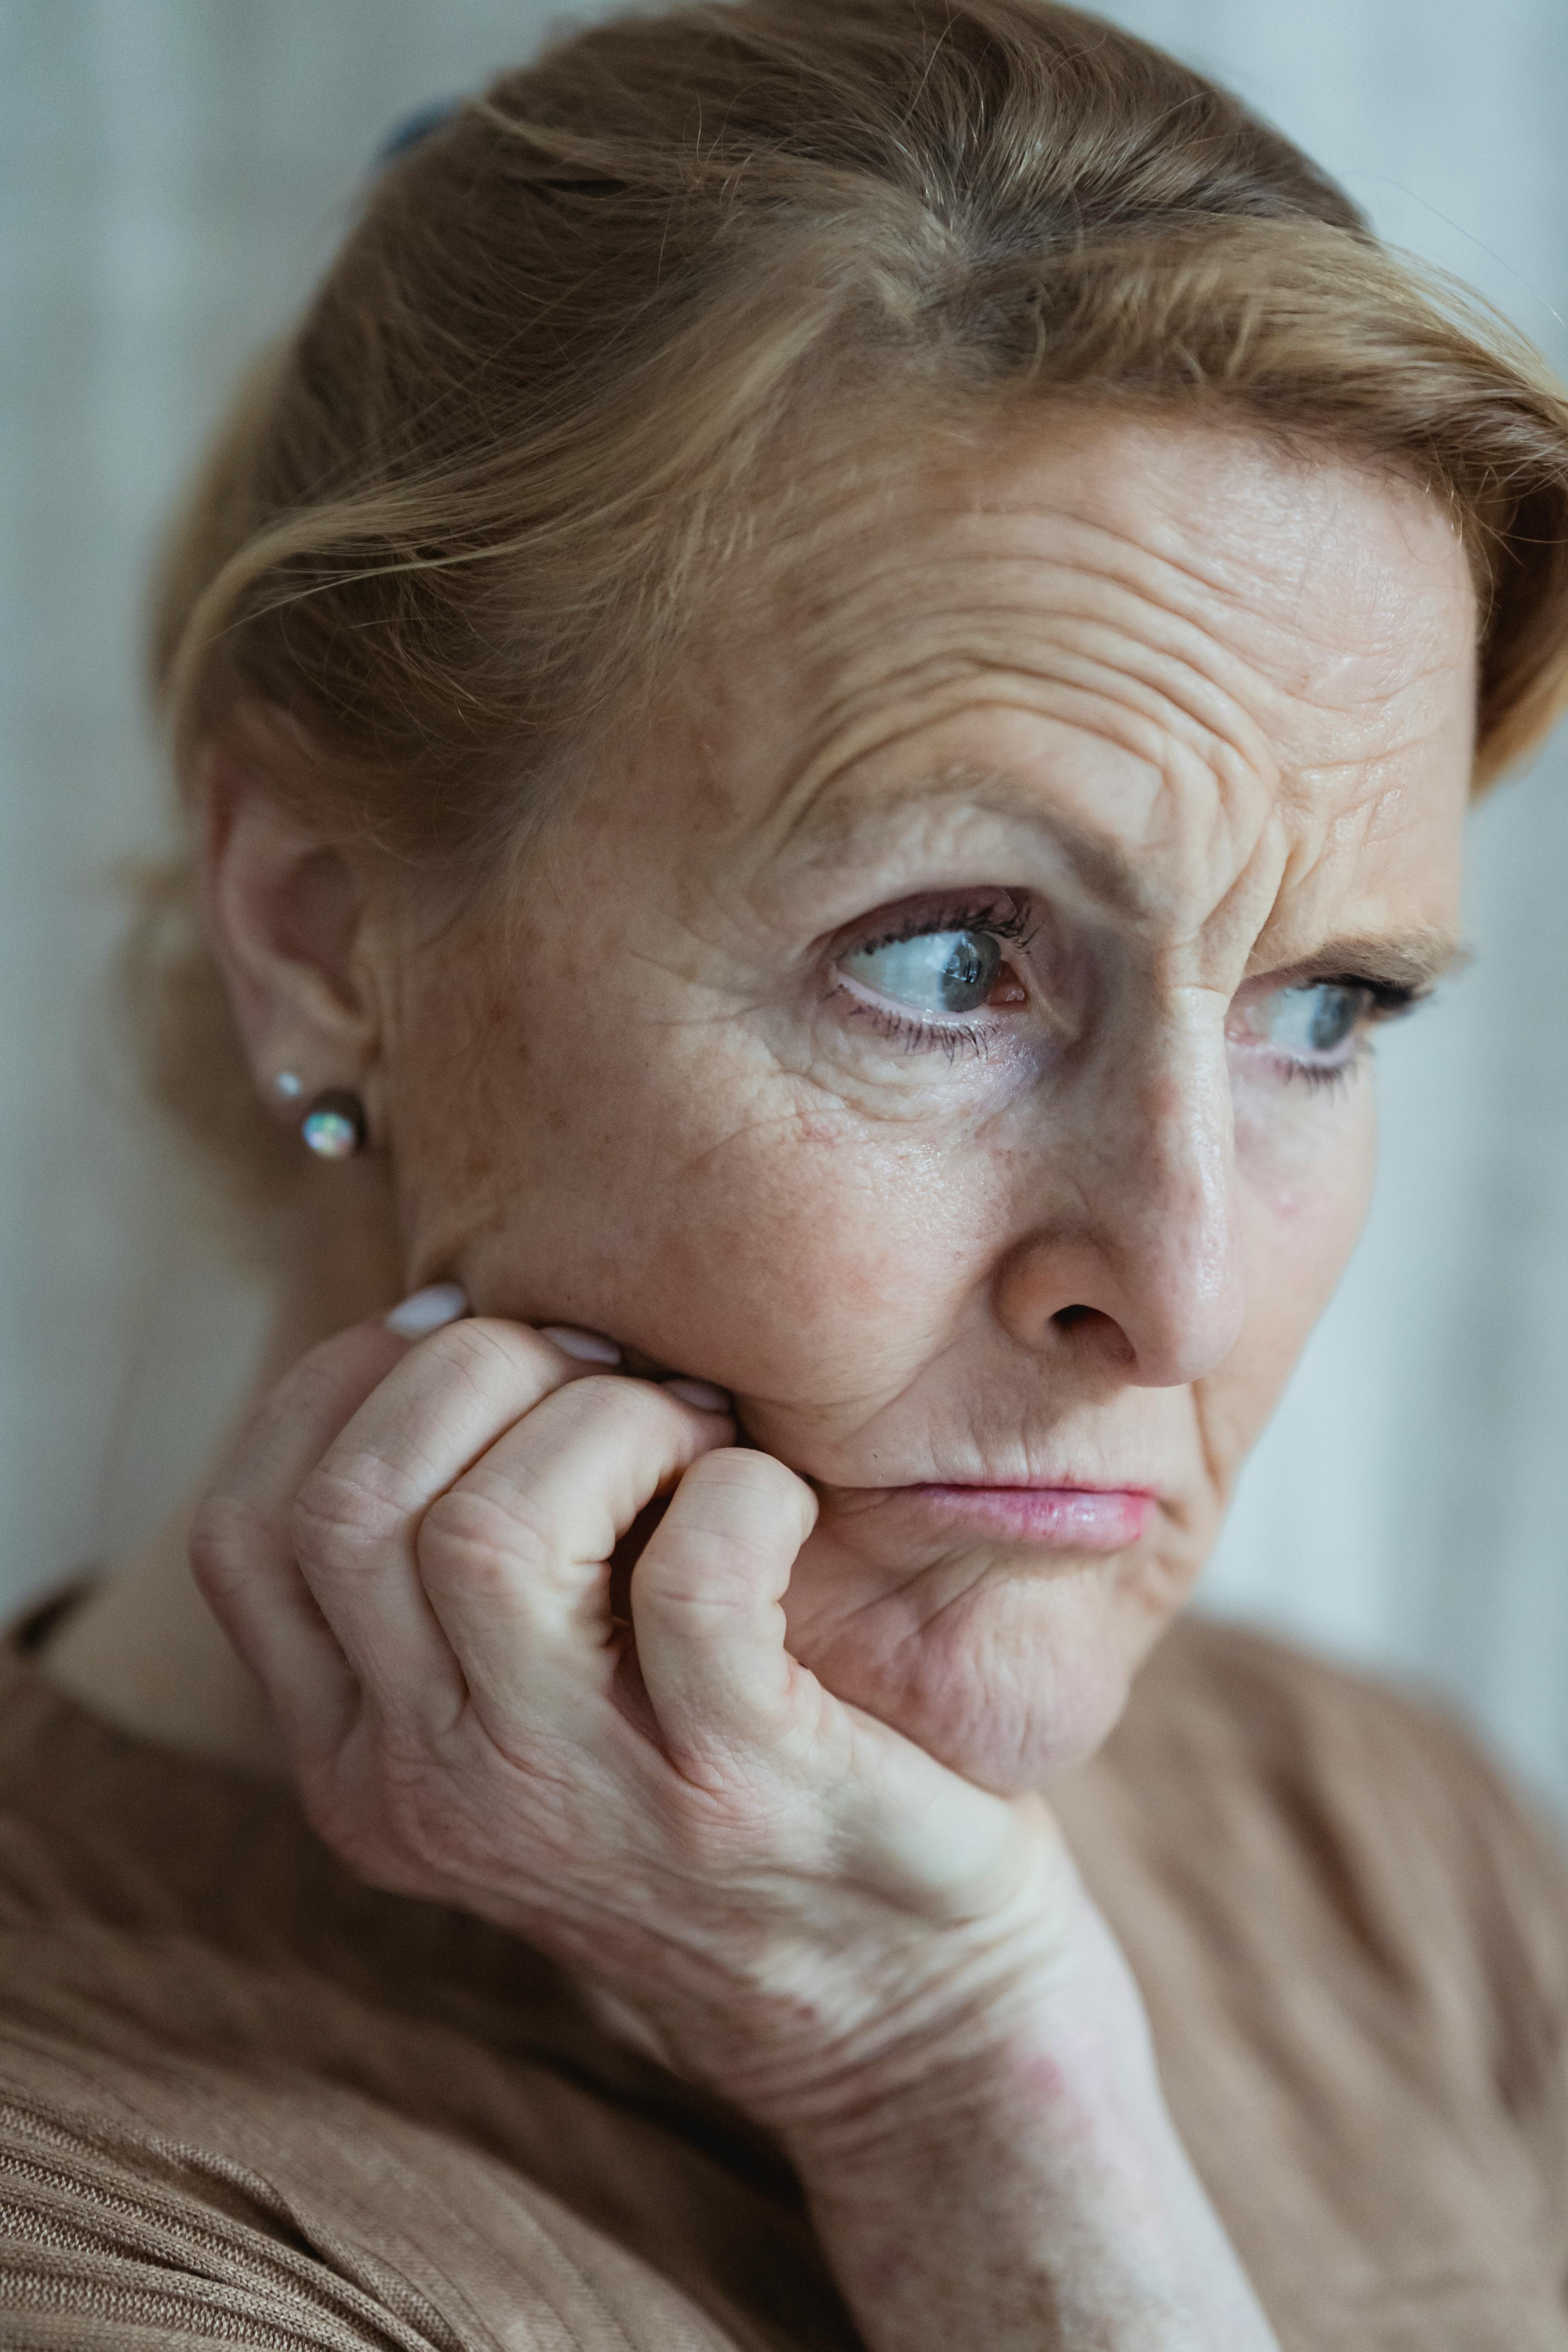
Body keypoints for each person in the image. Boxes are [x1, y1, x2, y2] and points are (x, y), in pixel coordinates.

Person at [5, 1, 1568, 2344]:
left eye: (1326, 1010)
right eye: (949, 959)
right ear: (320, 932)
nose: (1188, 1285)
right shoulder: (73, 2190)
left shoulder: (1380, 1847)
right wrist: (950, 2074)